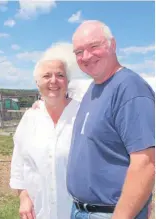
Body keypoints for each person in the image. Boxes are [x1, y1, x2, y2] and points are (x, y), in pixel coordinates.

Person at [67, 20, 155, 219]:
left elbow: (145, 164)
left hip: (110, 213)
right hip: (81, 211)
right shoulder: (93, 89)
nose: (86, 56)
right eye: (79, 52)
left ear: (112, 45)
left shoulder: (130, 88)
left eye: (94, 46)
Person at [10, 43, 92, 219]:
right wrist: (24, 197)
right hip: (38, 212)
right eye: (46, 75)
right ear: (37, 83)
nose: (53, 81)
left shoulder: (83, 114)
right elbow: (18, 165)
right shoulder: (30, 118)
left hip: (77, 212)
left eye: (60, 75)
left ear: (68, 81)